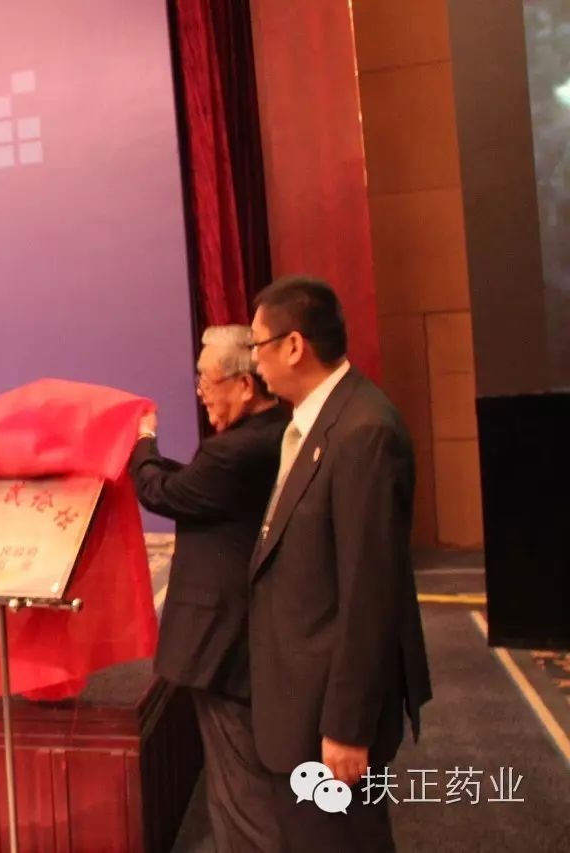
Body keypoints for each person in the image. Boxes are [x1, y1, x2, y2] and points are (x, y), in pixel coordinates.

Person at [248, 276, 431, 850]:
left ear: (293, 346)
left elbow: (369, 592)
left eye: (258, 345)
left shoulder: (363, 431)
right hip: (301, 702)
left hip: (329, 716)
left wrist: (348, 726)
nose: (254, 361)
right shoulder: (315, 422)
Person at [129, 325, 287, 852]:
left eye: (207, 380)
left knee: (241, 792)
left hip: (225, 640)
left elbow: (164, 493)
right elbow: (199, 483)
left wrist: (142, 442)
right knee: (250, 780)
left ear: (244, 384)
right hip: (254, 634)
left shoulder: (235, 452)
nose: (201, 392)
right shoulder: (274, 432)